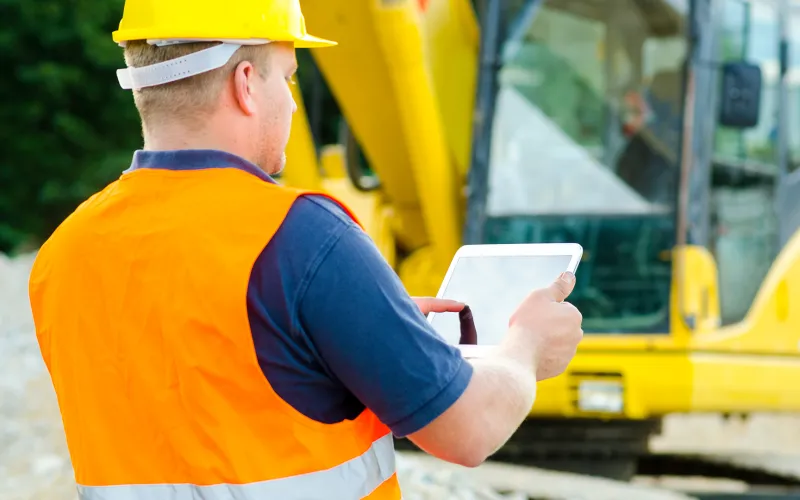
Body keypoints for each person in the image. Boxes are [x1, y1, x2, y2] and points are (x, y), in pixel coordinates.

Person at [27, 1, 584, 499]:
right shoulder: (302, 237)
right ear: (247, 83)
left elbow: (198, 388)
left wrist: (354, 335)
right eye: (289, 78)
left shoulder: (64, 253)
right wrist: (526, 344)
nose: (292, 106)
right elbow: (470, 429)